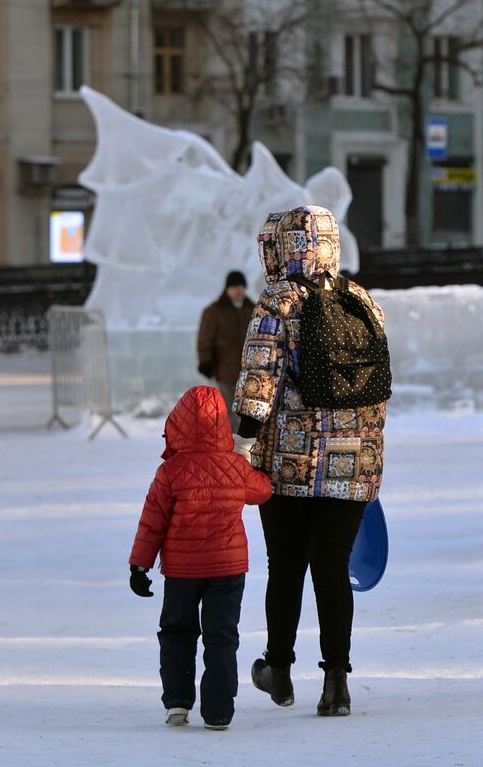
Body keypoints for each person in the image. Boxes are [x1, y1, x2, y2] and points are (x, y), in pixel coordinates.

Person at [235, 206, 389, 718]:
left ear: (279, 248)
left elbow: (260, 380)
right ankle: (337, 683)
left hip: (287, 466)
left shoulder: (277, 303)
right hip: (355, 463)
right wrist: (363, 447)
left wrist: (243, 444)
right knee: (331, 570)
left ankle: (278, 669)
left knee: (286, 567)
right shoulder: (361, 298)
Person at [128, 386, 273, 730]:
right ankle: (219, 710)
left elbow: (153, 521)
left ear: (177, 424)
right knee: (221, 636)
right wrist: (248, 458)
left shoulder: (171, 472)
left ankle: (177, 704)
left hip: (182, 570)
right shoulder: (235, 467)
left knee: (177, 632)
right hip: (228, 568)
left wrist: (140, 565)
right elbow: (263, 491)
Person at [196, 271, 255, 431]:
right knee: (228, 412)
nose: (239, 290)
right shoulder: (214, 311)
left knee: (248, 412)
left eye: (242, 286)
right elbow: (204, 339)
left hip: (250, 373)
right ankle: (230, 447)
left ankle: (244, 447)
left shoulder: (253, 310)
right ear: (227, 288)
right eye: (235, 286)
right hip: (225, 371)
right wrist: (205, 362)